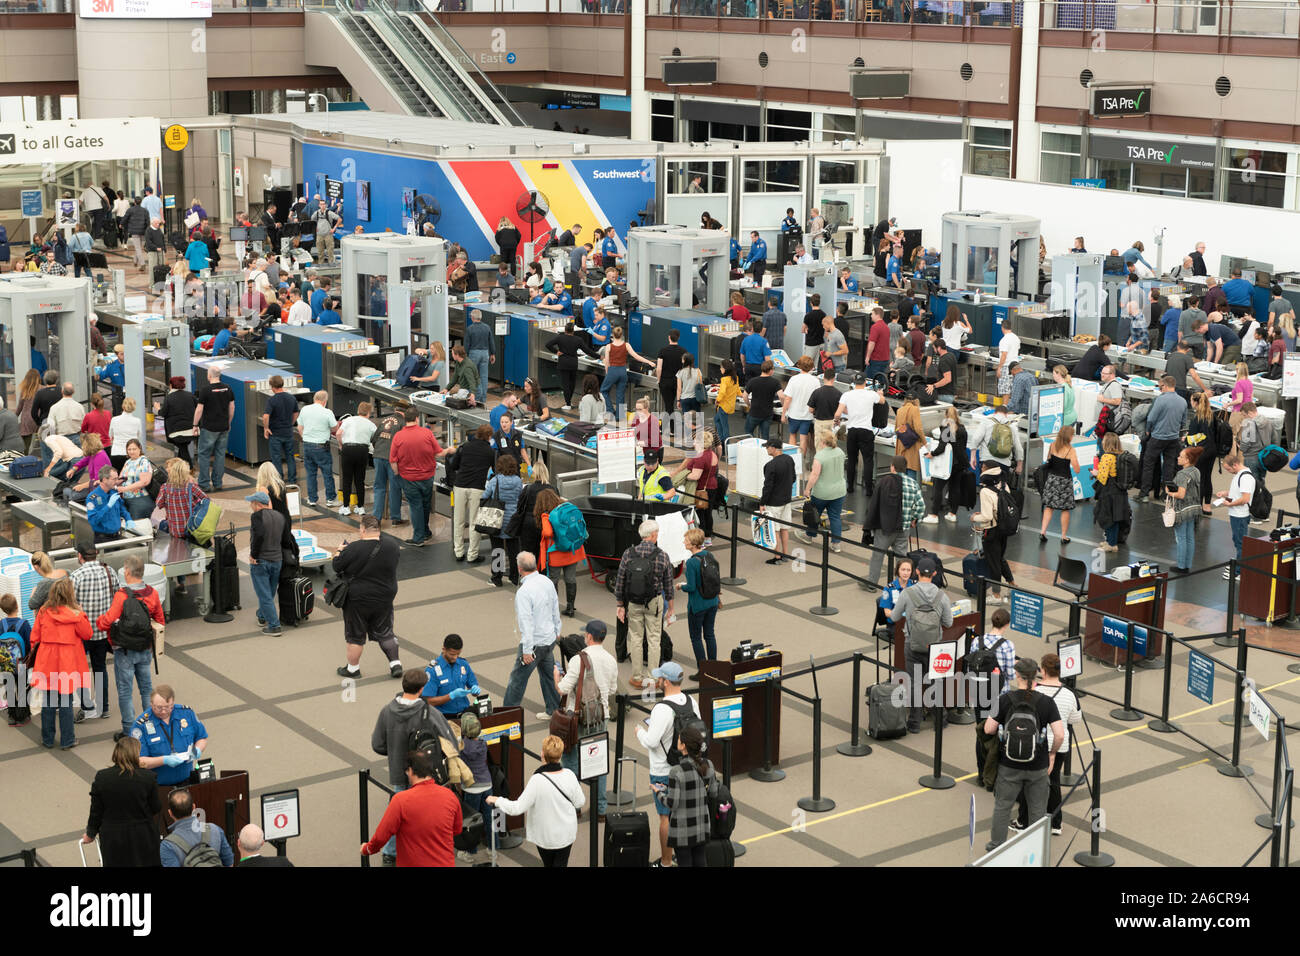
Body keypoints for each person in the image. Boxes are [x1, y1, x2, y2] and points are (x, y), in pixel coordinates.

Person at [372, 667, 457, 866]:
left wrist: (394, 752)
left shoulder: (387, 711)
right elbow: (450, 740)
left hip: (397, 771)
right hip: (424, 773)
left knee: (397, 812)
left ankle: (390, 853)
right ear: (421, 689)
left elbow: (377, 744)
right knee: (425, 813)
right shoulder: (429, 712)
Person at [984, 658, 1065, 851]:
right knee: (1037, 808)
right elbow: (1060, 734)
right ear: (1035, 675)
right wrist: (1052, 754)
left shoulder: (1005, 699)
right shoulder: (1047, 702)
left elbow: (988, 729)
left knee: (1003, 805)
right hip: (1038, 765)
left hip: (1009, 765)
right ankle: (1035, 848)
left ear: (1017, 675)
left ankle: (996, 846)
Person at [635, 661, 700, 867]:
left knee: (666, 817)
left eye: (659, 678)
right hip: (688, 767)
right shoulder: (691, 701)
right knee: (685, 813)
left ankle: (665, 861)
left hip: (663, 770)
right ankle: (685, 856)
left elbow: (652, 742)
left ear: (666, 681)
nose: (657, 681)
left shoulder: (661, 709)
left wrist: (639, 733)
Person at [485, 734, 583, 867]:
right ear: (560, 755)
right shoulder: (569, 775)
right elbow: (580, 802)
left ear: (542, 754)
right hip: (566, 834)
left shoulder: (537, 780)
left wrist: (497, 800)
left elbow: (517, 808)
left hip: (545, 837)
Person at [360, 748, 462, 868]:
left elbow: (382, 835)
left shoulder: (400, 800)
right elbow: (457, 829)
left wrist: (368, 849)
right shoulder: (449, 795)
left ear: (411, 771)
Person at [888, 557, 953, 733]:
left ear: (916, 572)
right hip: (935, 647)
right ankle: (941, 719)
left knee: (915, 682)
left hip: (912, 644)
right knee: (934, 682)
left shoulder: (907, 593)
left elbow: (893, 617)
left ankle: (914, 723)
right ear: (934, 573)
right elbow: (948, 622)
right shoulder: (942, 596)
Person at [333, 515, 403, 679]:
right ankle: (395, 664)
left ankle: (352, 669)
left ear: (363, 530)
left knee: (355, 635)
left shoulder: (354, 548)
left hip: (358, 598)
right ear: (378, 529)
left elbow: (337, 566)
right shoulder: (392, 546)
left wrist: (339, 551)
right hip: (385, 595)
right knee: (385, 631)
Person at [29, 577, 90, 751]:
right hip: (67, 662)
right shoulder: (75, 614)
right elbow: (87, 634)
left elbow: (35, 637)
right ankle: (67, 740)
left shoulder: (43, 611)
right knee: (65, 702)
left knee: (48, 701)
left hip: (47, 661)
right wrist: (81, 613)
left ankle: (47, 739)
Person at [82, 736, 161, 867]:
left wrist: (90, 833)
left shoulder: (102, 777)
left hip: (113, 835)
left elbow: (96, 810)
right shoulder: (148, 777)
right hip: (143, 833)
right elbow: (156, 807)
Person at [615, 519, 675, 690]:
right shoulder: (662, 555)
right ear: (653, 535)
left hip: (633, 602)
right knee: (654, 639)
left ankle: (636, 677)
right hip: (654, 602)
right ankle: (653, 678)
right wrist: (670, 608)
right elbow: (669, 585)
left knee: (635, 638)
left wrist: (620, 604)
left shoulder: (628, 553)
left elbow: (620, 580)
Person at [504, 552, 563, 718]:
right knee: (548, 676)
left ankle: (508, 715)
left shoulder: (524, 592)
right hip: (549, 639)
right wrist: (557, 630)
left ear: (519, 568)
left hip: (534, 643)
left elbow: (526, 622)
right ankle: (553, 710)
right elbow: (555, 607)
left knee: (517, 680)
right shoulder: (546, 581)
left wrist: (527, 650)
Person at [969, 608, 1017, 792]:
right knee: (997, 735)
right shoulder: (1007, 645)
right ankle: (993, 776)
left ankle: (981, 775)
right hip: (1000, 697)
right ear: (1007, 624)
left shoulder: (976, 641)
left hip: (979, 693)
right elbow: (1011, 674)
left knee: (981, 731)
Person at [70, 543, 119, 722]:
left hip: (81, 633)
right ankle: (103, 707)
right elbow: (118, 597)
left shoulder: (76, 576)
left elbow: (68, 604)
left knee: (80, 670)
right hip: (103, 631)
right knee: (100, 668)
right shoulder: (110, 571)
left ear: (80, 556)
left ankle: (87, 706)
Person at [129, 684, 209, 787]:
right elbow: (138, 761)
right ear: (151, 703)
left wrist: (197, 750)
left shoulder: (186, 713)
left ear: (173, 703)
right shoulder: (140, 726)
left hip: (187, 780)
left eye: (167, 707)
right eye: (158, 708)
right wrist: (164, 760)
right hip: (158, 786)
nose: (163, 711)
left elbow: (202, 737)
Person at [971, 461, 1017, 604]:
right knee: (1000, 558)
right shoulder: (1004, 485)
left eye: (982, 467)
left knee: (993, 562)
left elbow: (987, 516)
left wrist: (974, 517)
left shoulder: (985, 491)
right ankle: (1012, 585)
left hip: (991, 531)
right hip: (1004, 528)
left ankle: (996, 595)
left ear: (986, 470)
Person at [449, 424, 494, 564]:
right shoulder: (490, 451)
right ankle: (472, 555)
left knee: (459, 520)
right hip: (477, 488)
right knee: (475, 521)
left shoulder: (465, 446)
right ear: (489, 436)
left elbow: (453, 465)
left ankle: (458, 552)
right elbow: (495, 471)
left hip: (460, 485)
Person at [1137, 375, 1187, 501]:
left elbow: (1151, 418)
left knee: (1148, 464)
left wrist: (1148, 430)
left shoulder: (1160, 399)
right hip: (1173, 438)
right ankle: (1166, 494)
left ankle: (1144, 494)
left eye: (1160, 387)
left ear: (1164, 385)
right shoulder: (1183, 401)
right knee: (1169, 466)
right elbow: (1183, 422)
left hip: (1158, 437)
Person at [160, 789, 234, 868]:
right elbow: (229, 863)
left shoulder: (168, 845)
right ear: (194, 807)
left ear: (170, 813)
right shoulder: (215, 830)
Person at [800, 430, 847, 551]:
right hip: (839, 490)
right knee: (835, 517)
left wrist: (807, 489)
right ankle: (836, 544)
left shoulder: (820, 456)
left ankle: (809, 536)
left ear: (822, 442)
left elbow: (814, 475)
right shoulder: (840, 452)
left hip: (822, 492)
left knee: (815, 514)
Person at [670, 428, 720, 540]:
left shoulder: (700, 457)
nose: (693, 443)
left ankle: (701, 538)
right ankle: (708, 536)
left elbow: (695, 476)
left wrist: (683, 475)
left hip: (702, 489)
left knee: (700, 513)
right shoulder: (712, 454)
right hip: (712, 486)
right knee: (708, 513)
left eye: (696, 441)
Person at [835, 373, 880, 496]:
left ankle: (850, 486)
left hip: (852, 431)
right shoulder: (871, 394)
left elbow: (838, 413)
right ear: (865, 383)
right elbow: (881, 401)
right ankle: (869, 489)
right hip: (866, 430)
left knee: (851, 459)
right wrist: (880, 393)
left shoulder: (847, 395)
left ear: (854, 383)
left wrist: (837, 421)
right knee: (868, 460)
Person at [923, 406, 968, 523]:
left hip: (948, 463)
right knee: (955, 488)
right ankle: (952, 514)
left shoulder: (946, 428)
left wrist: (931, 454)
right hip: (960, 463)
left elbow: (942, 447)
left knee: (938, 488)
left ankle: (934, 515)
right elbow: (963, 446)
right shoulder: (962, 429)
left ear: (946, 415)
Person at [193, 366, 234, 493]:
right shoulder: (228, 388)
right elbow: (232, 407)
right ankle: (218, 482)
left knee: (204, 455)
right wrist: (228, 422)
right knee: (220, 454)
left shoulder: (205, 390)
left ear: (209, 376)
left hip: (209, 428)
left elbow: (199, 409)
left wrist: (194, 425)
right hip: (223, 427)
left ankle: (204, 484)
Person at [1215, 452, 1256, 577]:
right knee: (1238, 540)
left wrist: (1230, 504)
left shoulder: (1246, 478)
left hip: (1240, 515)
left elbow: (1245, 499)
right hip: (1236, 514)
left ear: (1235, 464)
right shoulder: (1239, 475)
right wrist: (1226, 493)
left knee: (1240, 543)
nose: (1228, 471)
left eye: (1228, 469)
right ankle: (1238, 566)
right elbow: (1238, 493)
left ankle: (1239, 572)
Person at [486, 454, 524, 588]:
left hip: (497, 518)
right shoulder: (518, 481)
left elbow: (485, 496)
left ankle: (497, 578)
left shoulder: (494, 481)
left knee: (498, 548)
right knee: (514, 549)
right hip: (513, 519)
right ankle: (514, 577)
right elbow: (520, 498)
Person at [297, 390, 340, 508]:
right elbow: (335, 428)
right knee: (327, 473)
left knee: (310, 474)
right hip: (321, 447)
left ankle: (312, 499)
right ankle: (330, 499)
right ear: (325, 401)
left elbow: (300, 427)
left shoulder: (305, 409)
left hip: (307, 445)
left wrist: (305, 437)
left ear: (314, 399)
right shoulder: (327, 412)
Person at [421, 634, 481, 719]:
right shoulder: (432, 671)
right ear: (444, 649)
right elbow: (428, 701)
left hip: (464, 714)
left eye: (458, 654)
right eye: (452, 654)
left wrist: (475, 690)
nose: (455, 657)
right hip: (443, 718)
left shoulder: (463, 664)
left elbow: (474, 688)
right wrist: (451, 696)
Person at [1038, 425, 1080, 545]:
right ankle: (1063, 536)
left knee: (1049, 507)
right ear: (1069, 437)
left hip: (1051, 479)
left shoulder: (1052, 445)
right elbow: (1077, 469)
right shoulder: (1070, 450)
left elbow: (1048, 460)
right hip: (1064, 482)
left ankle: (1043, 532)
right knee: (1065, 509)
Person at [758, 438, 796, 565]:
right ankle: (785, 554)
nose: (766, 449)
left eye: (767, 447)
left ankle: (777, 557)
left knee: (775, 530)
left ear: (773, 448)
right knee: (784, 528)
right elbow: (794, 478)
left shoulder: (770, 466)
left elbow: (767, 487)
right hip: (786, 499)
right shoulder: (789, 459)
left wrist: (762, 503)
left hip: (774, 502)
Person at [1166, 446, 1204, 574]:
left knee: (1181, 538)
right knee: (1190, 538)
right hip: (1194, 507)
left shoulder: (1182, 474)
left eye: (1181, 456)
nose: (1178, 458)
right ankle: (1187, 564)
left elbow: (1181, 495)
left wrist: (1169, 492)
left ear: (1187, 460)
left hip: (1182, 510)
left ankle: (1181, 565)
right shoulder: (1196, 471)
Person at [336, 401, 377, 516]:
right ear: (368, 413)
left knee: (347, 479)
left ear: (358, 410)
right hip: (362, 451)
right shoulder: (371, 424)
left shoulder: (348, 420)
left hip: (347, 449)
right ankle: (360, 507)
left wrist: (341, 445)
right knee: (360, 480)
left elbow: (338, 433)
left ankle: (346, 507)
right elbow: (375, 440)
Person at [599, 326, 650, 416]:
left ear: (613, 335)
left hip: (613, 371)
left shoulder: (609, 346)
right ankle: (620, 415)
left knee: (603, 390)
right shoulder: (626, 345)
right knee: (621, 394)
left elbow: (607, 362)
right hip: (623, 371)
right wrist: (649, 362)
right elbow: (636, 356)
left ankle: (610, 410)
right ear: (621, 335)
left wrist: (607, 372)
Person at [546, 322, 598, 409]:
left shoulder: (560, 338)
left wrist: (556, 351)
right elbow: (588, 351)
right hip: (573, 363)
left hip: (563, 362)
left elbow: (547, 344)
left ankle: (568, 404)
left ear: (565, 330)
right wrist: (599, 356)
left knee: (565, 384)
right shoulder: (578, 340)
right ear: (573, 331)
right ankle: (569, 401)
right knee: (572, 383)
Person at [261, 375, 299, 484]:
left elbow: (265, 416)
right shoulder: (291, 398)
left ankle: (279, 481)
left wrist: (266, 428)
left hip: (275, 434)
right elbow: (296, 413)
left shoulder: (272, 400)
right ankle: (292, 480)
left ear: (273, 387)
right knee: (290, 457)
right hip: (288, 432)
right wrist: (291, 423)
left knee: (276, 458)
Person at [1188, 391, 1219, 516]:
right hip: (1212, 450)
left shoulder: (1197, 418)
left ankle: (1198, 505)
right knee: (1207, 477)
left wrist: (1186, 439)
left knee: (1199, 478)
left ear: (1195, 402)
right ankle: (1207, 506)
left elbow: (1191, 437)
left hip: (1200, 451)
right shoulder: (1212, 416)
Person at [157, 376, 197, 466]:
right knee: (183, 449)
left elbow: (163, 413)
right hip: (191, 430)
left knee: (183, 449)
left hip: (176, 432)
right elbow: (197, 408)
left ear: (171, 385)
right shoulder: (190, 395)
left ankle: (189, 469)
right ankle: (179, 468)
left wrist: (158, 408)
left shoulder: (169, 397)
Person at [84, 469, 131, 543]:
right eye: (114, 479)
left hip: (117, 536)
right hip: (103, 539)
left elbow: (121, 508)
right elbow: (93, 520)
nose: (117, 482)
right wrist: (108, 506)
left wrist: (128, 518)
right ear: (105, 480)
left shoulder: (114, 492)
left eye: (117, 478)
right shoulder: (92, 498)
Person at [464, 309, 495, 405]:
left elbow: (466, 344)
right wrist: (492, 354)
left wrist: (465, 357)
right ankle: (483, 399)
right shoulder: (487, 327)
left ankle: (476, 397)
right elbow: (491, 342)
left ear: (472, 318)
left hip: (474, 353)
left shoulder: (470, 328)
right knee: (484, 377)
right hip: (485, 353)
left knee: (474, 376)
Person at [894, 395, 924, 482]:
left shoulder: (899, 410)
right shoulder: (915, 409)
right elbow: (918, 429)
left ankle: (901, 493)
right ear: (916, 400)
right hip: (912, 445)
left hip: (901, 444)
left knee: (902, 471)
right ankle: (910, 493)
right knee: (911, 469)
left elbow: (896, 428)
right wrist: (924, 442)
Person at [713, 359, 740, 444]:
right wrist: (744, 395)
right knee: (716, 419)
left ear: (725, 369)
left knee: (725, 427)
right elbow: (737, 390)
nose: (720, 369)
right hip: (730, 406)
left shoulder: (724, 379)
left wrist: (717, 400)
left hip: (723, 406)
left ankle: (725, 445)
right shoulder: (735, 377)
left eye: (721, 367)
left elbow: (722, 392)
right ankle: (721, 439)